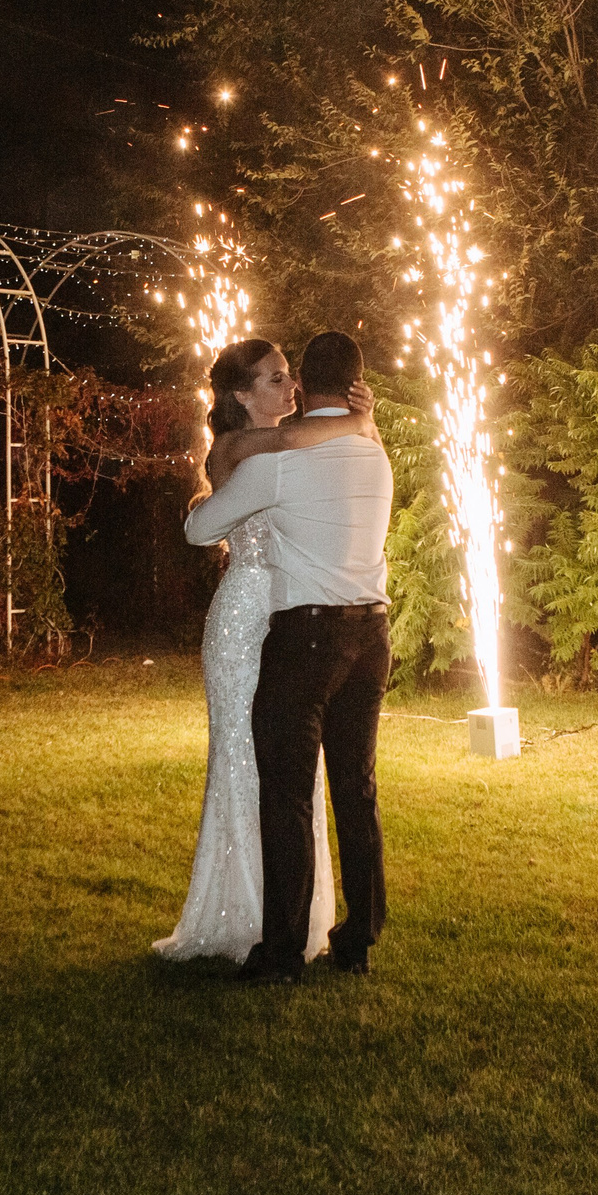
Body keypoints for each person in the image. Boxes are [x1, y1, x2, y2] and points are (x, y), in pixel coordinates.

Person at [152, 338, 376, 964]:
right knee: (245, 763)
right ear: (240, 395)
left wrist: (361, 425)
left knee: (284, 770)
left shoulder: (291, 443)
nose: (290, 389)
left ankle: (288, 919)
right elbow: (284, 447)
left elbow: (308, 448)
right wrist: (357, 421)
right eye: (274, 380)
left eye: (289, 377)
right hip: (243, 616)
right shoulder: (240, 447)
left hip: (287, 614)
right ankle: (239, 912)